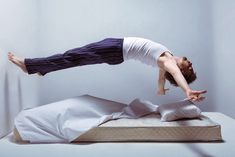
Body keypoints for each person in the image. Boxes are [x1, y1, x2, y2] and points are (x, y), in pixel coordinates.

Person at [8, 37, 206, 102]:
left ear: (181, 70)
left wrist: (187, 90)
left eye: (189, 67)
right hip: (116, 48)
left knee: (72, 56)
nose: (190, 63)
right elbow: (162, 76)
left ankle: (29, 65)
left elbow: (174, 74)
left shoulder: (169, 64)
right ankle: (42, 69)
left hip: (115, 49)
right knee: (74, 57)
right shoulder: (167, 58)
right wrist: (160, 89)